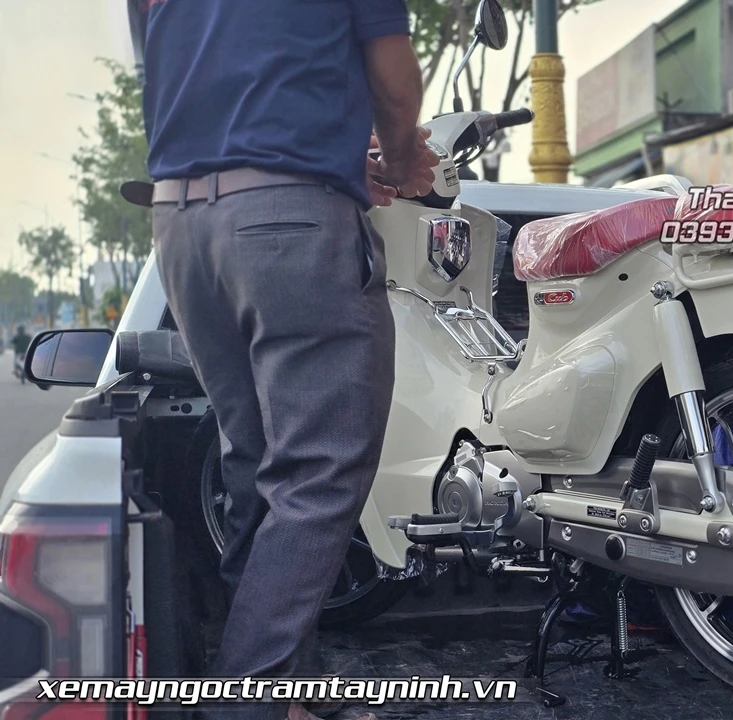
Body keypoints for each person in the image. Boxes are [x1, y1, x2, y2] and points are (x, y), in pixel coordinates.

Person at [130, 1, 439, 719]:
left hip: (181, 224)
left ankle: (286, 694)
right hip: (286, 227)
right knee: (319, 467)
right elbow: (395, 84)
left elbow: (200, 86)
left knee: (256, 460)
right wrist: (397, 160)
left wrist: (325, 162)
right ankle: (246, 703)